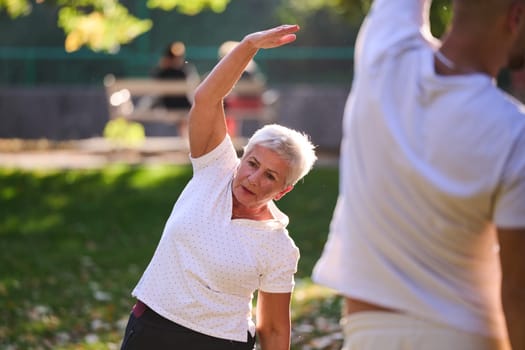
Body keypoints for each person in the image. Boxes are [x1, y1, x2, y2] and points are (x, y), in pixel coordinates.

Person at [312, 0, 525, 349]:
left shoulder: (384, 55)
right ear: (515, 16)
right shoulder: (515, 134)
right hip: (466, 337)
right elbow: (518, 294)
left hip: (368, 333)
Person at [120, 24, 317, 350]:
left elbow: (274, 331)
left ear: (283, 191)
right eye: (252, 164)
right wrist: (249, 46)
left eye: (270, 176)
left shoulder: (279, 246)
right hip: (151, 329)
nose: (254, 178)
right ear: (242, 157)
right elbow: (206, 98)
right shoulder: (214, 169)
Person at [151, 41, 200, 137]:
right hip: (167, 107)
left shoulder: (185, 70)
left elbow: (193, 87)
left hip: (184, 106)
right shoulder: (163, 72)